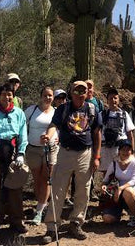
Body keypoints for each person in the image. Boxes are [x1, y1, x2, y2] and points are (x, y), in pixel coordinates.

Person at [40, 81, 101, 244]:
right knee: (58, 190)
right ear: (71, 92)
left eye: (83, 91)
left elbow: (97, 133)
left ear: (87, 93)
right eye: (77, 91)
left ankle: (76, 223)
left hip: (85, 153)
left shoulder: (92, 109)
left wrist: (96, 156)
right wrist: (48, 135)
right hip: (65, 153)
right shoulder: (63, 109)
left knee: (83, 191)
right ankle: (52, 227)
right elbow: (54, 125)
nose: (80, 94)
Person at [0, 83, 28, 234]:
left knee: (15, 188)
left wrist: (21, 154)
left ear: (13, 96)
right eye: (3, 94)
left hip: (13, 152)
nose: (7, 97)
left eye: (9, 94)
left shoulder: (19, 113)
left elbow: (23, 135)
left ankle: (16, 221)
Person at [24, 86, 58, 225]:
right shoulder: (31, 110)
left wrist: (55, 137)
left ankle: (39, 211)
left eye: (50, 95)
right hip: (33, 149)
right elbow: (22, 125)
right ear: (40, 96)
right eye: (45, 95)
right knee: (37, 178)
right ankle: (41, 206)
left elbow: (59, 127)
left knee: (46, 178)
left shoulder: (56, 112)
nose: (47, 98)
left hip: (50, 149)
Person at [101, 140, 135, 227]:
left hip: (131, 193)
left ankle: (133, 216)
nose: (125, 152)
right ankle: (117, 214)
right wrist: (103, 186)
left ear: (131, 151)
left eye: (128, 150)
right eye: (123, 150)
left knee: (128, 191)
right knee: (107, 219)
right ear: (119, 151)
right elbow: (105, 180)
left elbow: (134, 180)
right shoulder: (114, 164)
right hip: (115, 195)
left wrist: (120, 188)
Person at [99, 87, 135, 175]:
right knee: (106, 173)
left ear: (118, 100)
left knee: (121, 172)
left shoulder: (124, 114)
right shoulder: (101, 114)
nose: (113, 100)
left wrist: (132, 152)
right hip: (105, 149)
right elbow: (97, 133)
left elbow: (130, 134)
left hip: (120, 149)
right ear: (107, 100)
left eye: (115, 98)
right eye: (110, 98)